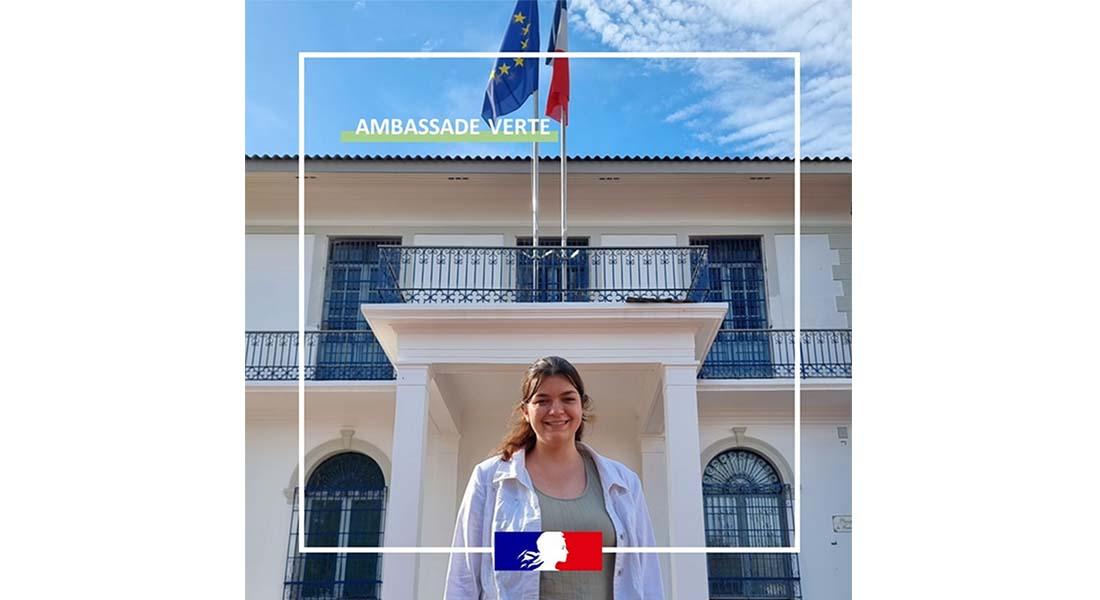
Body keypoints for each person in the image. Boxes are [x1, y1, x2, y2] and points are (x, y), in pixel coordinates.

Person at [444, 356, 664, 599]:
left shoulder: (624, 484)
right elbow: (463, 577)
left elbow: (647, 576)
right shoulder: (489, 480)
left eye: (568, 399)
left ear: (582, 405)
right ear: (525, 411)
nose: (556, 410)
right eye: (542, 400)